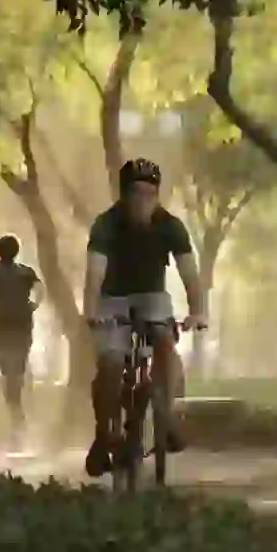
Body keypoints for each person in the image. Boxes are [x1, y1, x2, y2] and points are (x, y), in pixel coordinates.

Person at [82, 157, 206, 477]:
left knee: (166, 343)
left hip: (153, 299)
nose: (143, 201)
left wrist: (197, 310)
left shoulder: (171, 226)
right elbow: (94, 271)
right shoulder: (105, 224)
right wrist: (91, 310)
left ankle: (166, 416)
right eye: (136, 193)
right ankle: (103, 433)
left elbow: (190, 274)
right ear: (123, 195)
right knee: (110, 363)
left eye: (150, 194)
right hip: (111, 300)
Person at [0, 235, 45, 449]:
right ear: (17, 250)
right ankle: (19, 403)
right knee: (18, 367)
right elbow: (41, 289)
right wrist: (34, 304)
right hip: (22, 326)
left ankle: (15, 408)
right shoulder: (25, 272)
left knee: (7, 371)